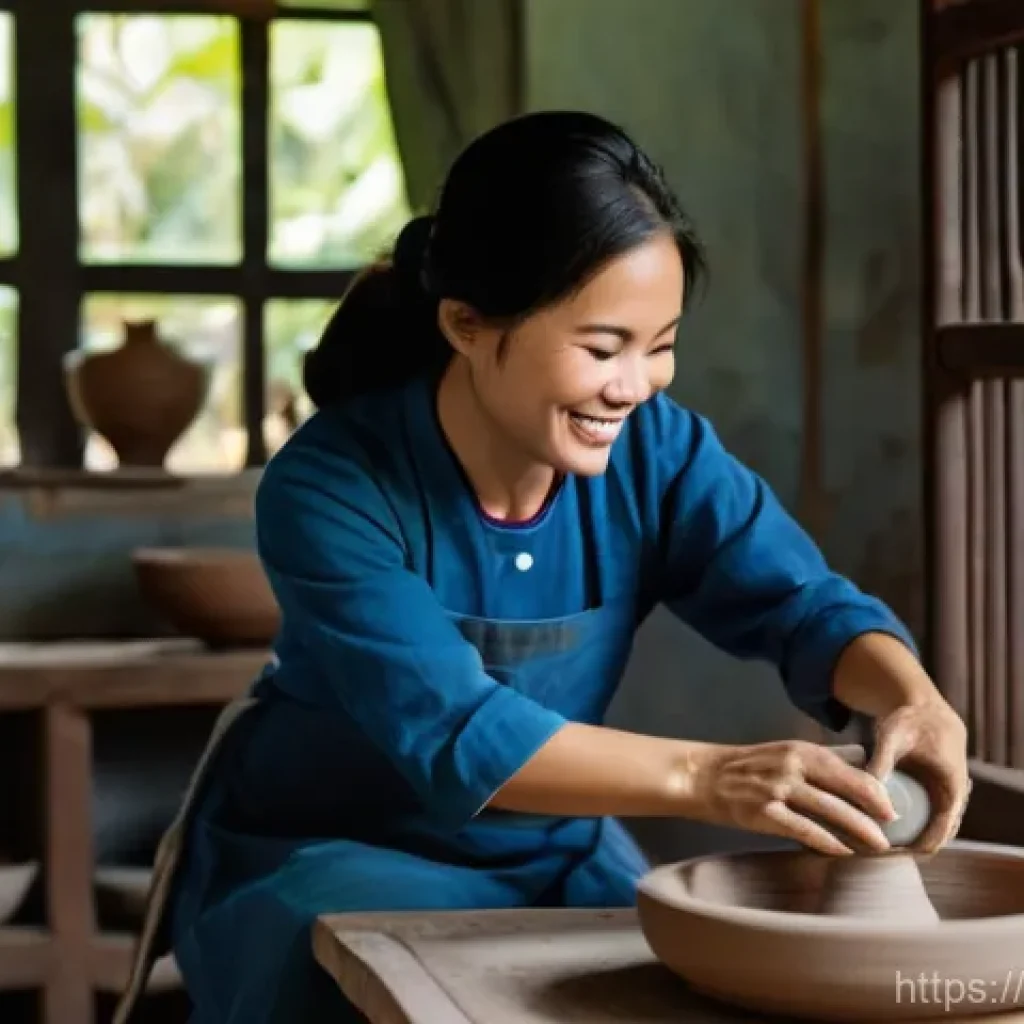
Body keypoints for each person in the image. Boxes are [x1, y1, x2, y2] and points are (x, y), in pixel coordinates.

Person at [115, 111, 970, 1024]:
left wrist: (912, 696)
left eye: (661, 346)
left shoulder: (660, 452)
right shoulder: (332, 486)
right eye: (602, 349)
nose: (634, 387)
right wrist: (713, 778)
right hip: (338, 850)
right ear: (467, 325)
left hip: (556, 849)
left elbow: (804, 607)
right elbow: (461, 732)